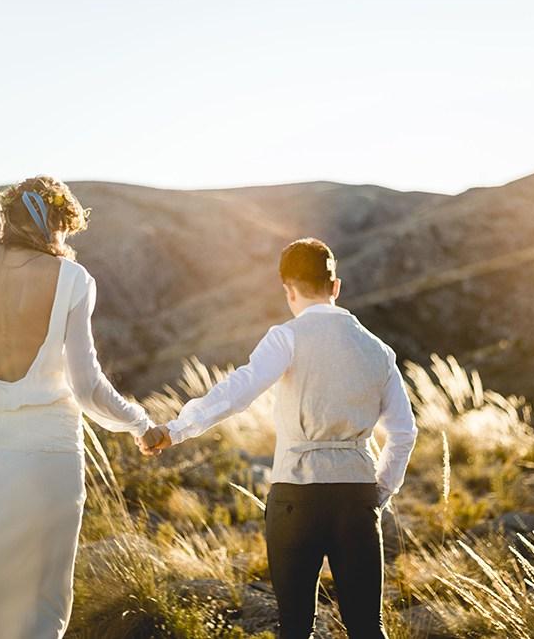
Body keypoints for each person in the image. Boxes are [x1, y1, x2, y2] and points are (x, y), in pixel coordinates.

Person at [0, 176, 164, 638]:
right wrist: (140, 424)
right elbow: (87, 387)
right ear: (55, 224)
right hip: (51, 461)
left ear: (7, 217)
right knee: (41, 605)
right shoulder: (74, 279)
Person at [142, 237, 419, 639]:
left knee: (294, 628)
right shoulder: (378, 350)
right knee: (367, 627)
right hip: (355, 495)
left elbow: (238, 391)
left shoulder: (285, 337)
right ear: (335, 286)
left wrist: (174, 430)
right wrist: (378, 493)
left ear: (288, 289)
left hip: (296, 496)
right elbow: (403, 432)